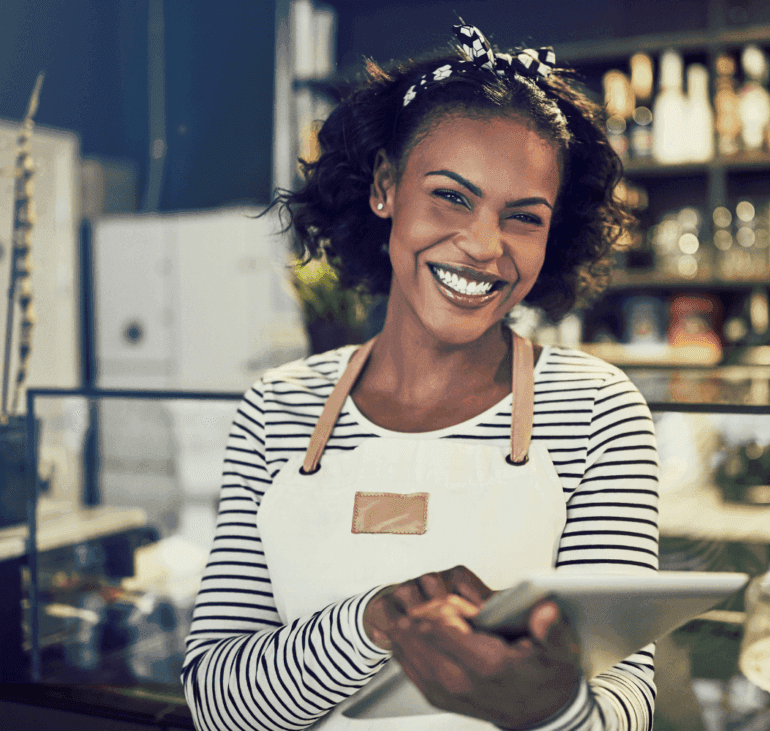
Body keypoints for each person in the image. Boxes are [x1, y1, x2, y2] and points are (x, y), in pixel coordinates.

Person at [181, 24, 660, 731]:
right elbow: (216, 700)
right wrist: (377, 621)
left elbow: (625, 702)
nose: (484, 245)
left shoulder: (596, 410)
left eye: (523, 217)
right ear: (384, 187)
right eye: (452, 196)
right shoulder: (276, 409)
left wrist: (553, 707)